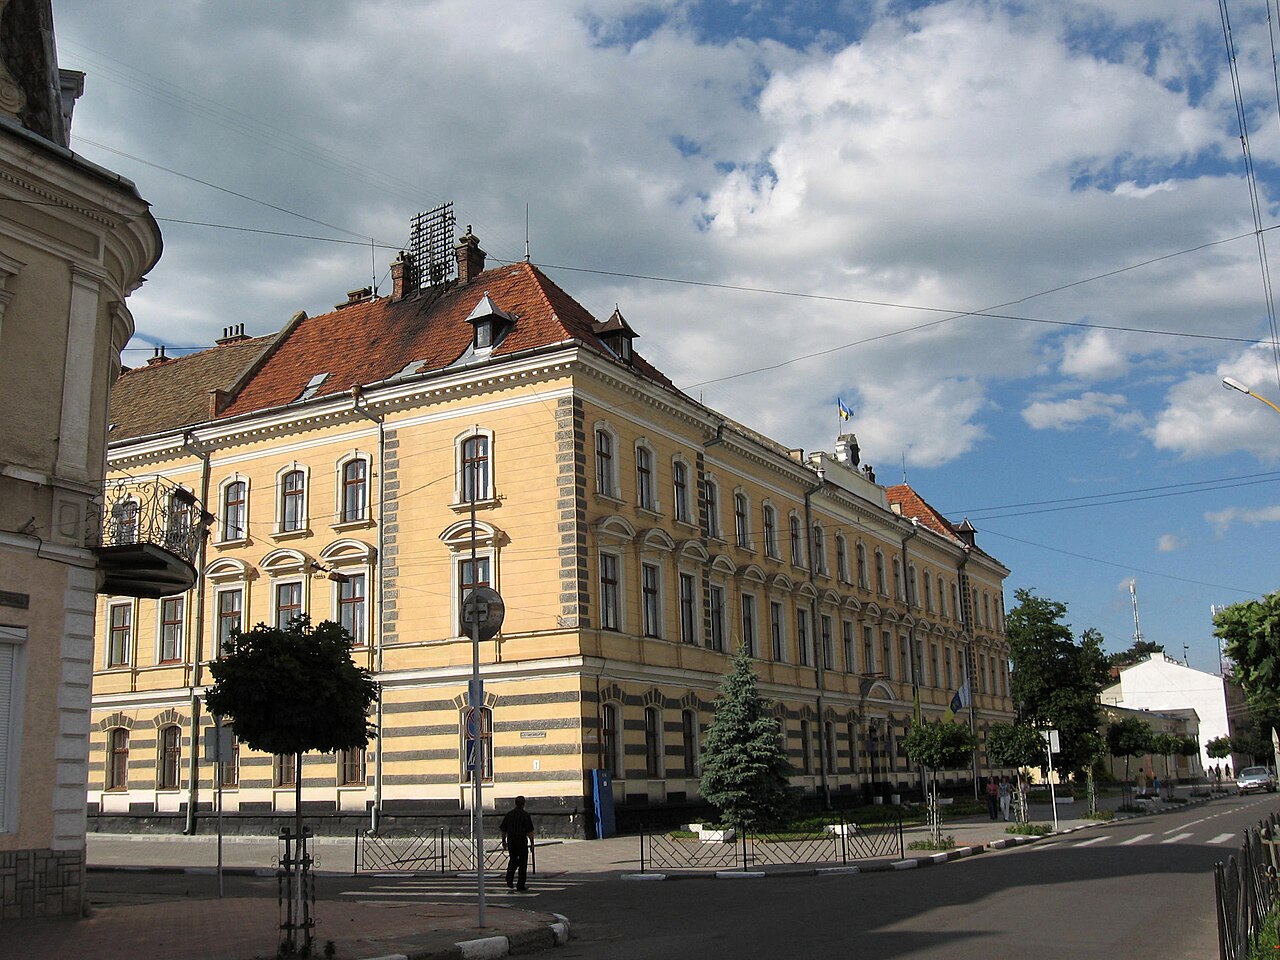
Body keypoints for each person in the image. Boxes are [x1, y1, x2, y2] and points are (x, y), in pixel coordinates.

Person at [500, 795, 535, 891]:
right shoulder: (525, 815)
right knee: (523, 863)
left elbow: (503, 829)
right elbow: (530, 831)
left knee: (513, 860)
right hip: (521, 841)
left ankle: (509, 877)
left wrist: (503, 840)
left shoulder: (509, 814)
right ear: (524, 804)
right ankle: (520, 885)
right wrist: (532, 843)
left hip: (511, 840)